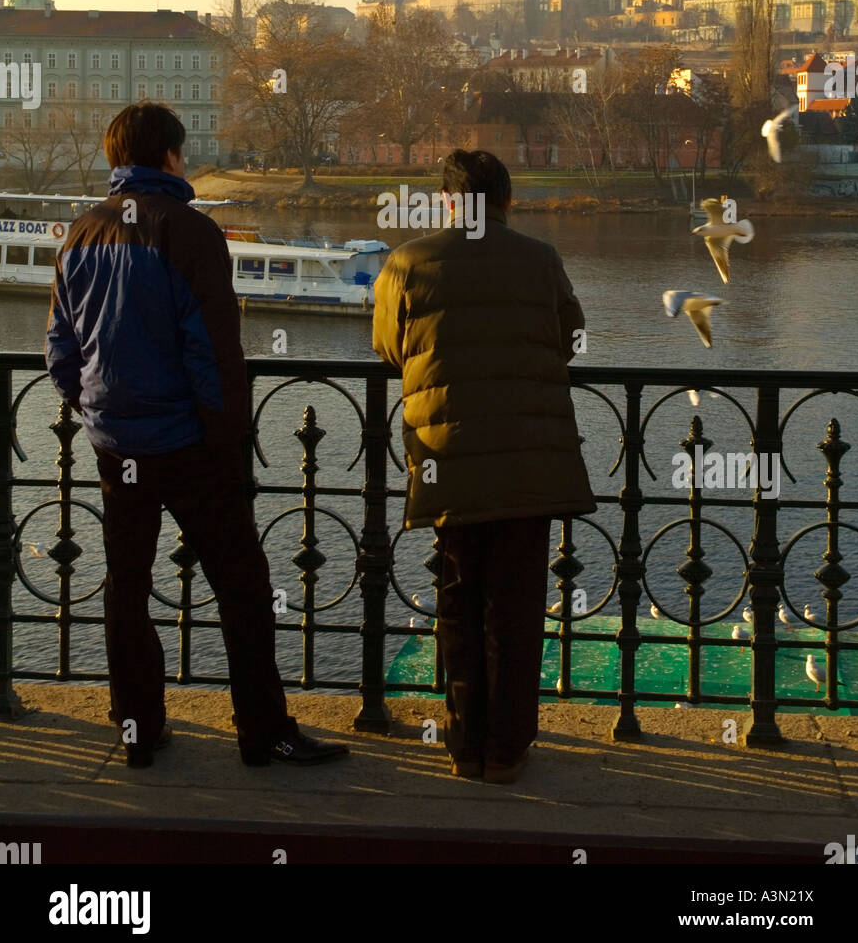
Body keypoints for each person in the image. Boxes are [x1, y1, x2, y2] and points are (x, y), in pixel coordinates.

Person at [44, 102, 349, 771]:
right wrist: (225, 438)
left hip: (115, 446)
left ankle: (138, 731)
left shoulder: (80, 234)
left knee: (126, 587)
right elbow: (213, 353)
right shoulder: (190, 233)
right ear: (172, 157)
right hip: (189, 445)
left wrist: (95, 410)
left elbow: (60, 352)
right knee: (242, 586)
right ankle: (262, 731)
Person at [372, 150, 595, 784]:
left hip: (449, 460)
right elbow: (570, 339)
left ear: (446, 202)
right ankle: (507, 748)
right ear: (507, 201)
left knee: (458, 603)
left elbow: (388, 346)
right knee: (517, 608)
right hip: (528, 461)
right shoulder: (540, 259)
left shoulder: (409, 262)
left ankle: (464, 744)